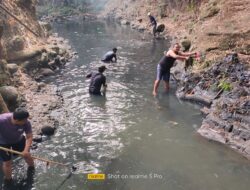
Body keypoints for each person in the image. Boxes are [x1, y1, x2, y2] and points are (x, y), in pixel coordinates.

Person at [0, 108, 34, 183]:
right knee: (7, 163)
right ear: (17, 120)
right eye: (24, 120)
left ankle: (32, 168)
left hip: (19, 140)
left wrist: (25, 150)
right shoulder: (2, 120)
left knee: (27, 155)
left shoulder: (26, 122)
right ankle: (8, 180)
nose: (26, 121)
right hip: (3, 143)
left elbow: (29, 136)